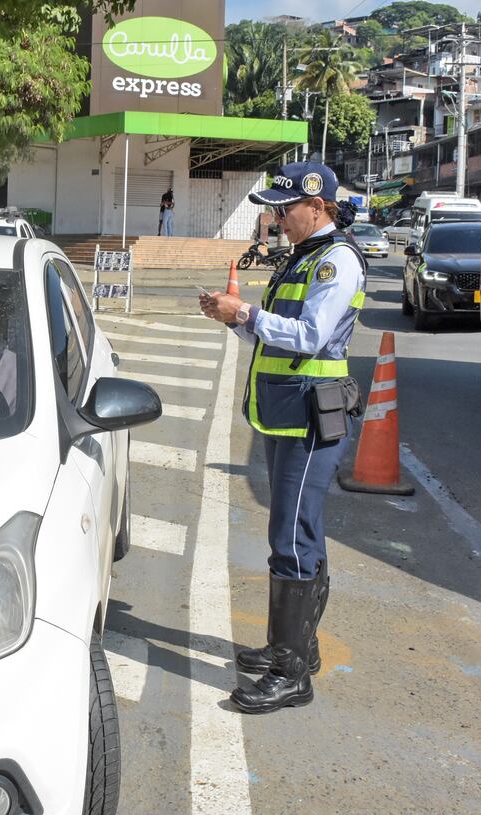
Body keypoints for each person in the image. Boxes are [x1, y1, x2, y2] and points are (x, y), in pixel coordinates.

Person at [199, 161, 366, 715]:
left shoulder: (335, 261)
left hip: (307, 417)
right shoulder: (303, 257)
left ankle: (292, 674)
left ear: (318, 207)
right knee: (301, 533)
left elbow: (312, 337)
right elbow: (275, 331)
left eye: (286, 208)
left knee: (291, 538)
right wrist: (235, 318)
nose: (278, 218)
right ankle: (293, 648)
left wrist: (246, 311)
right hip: (284, 412)